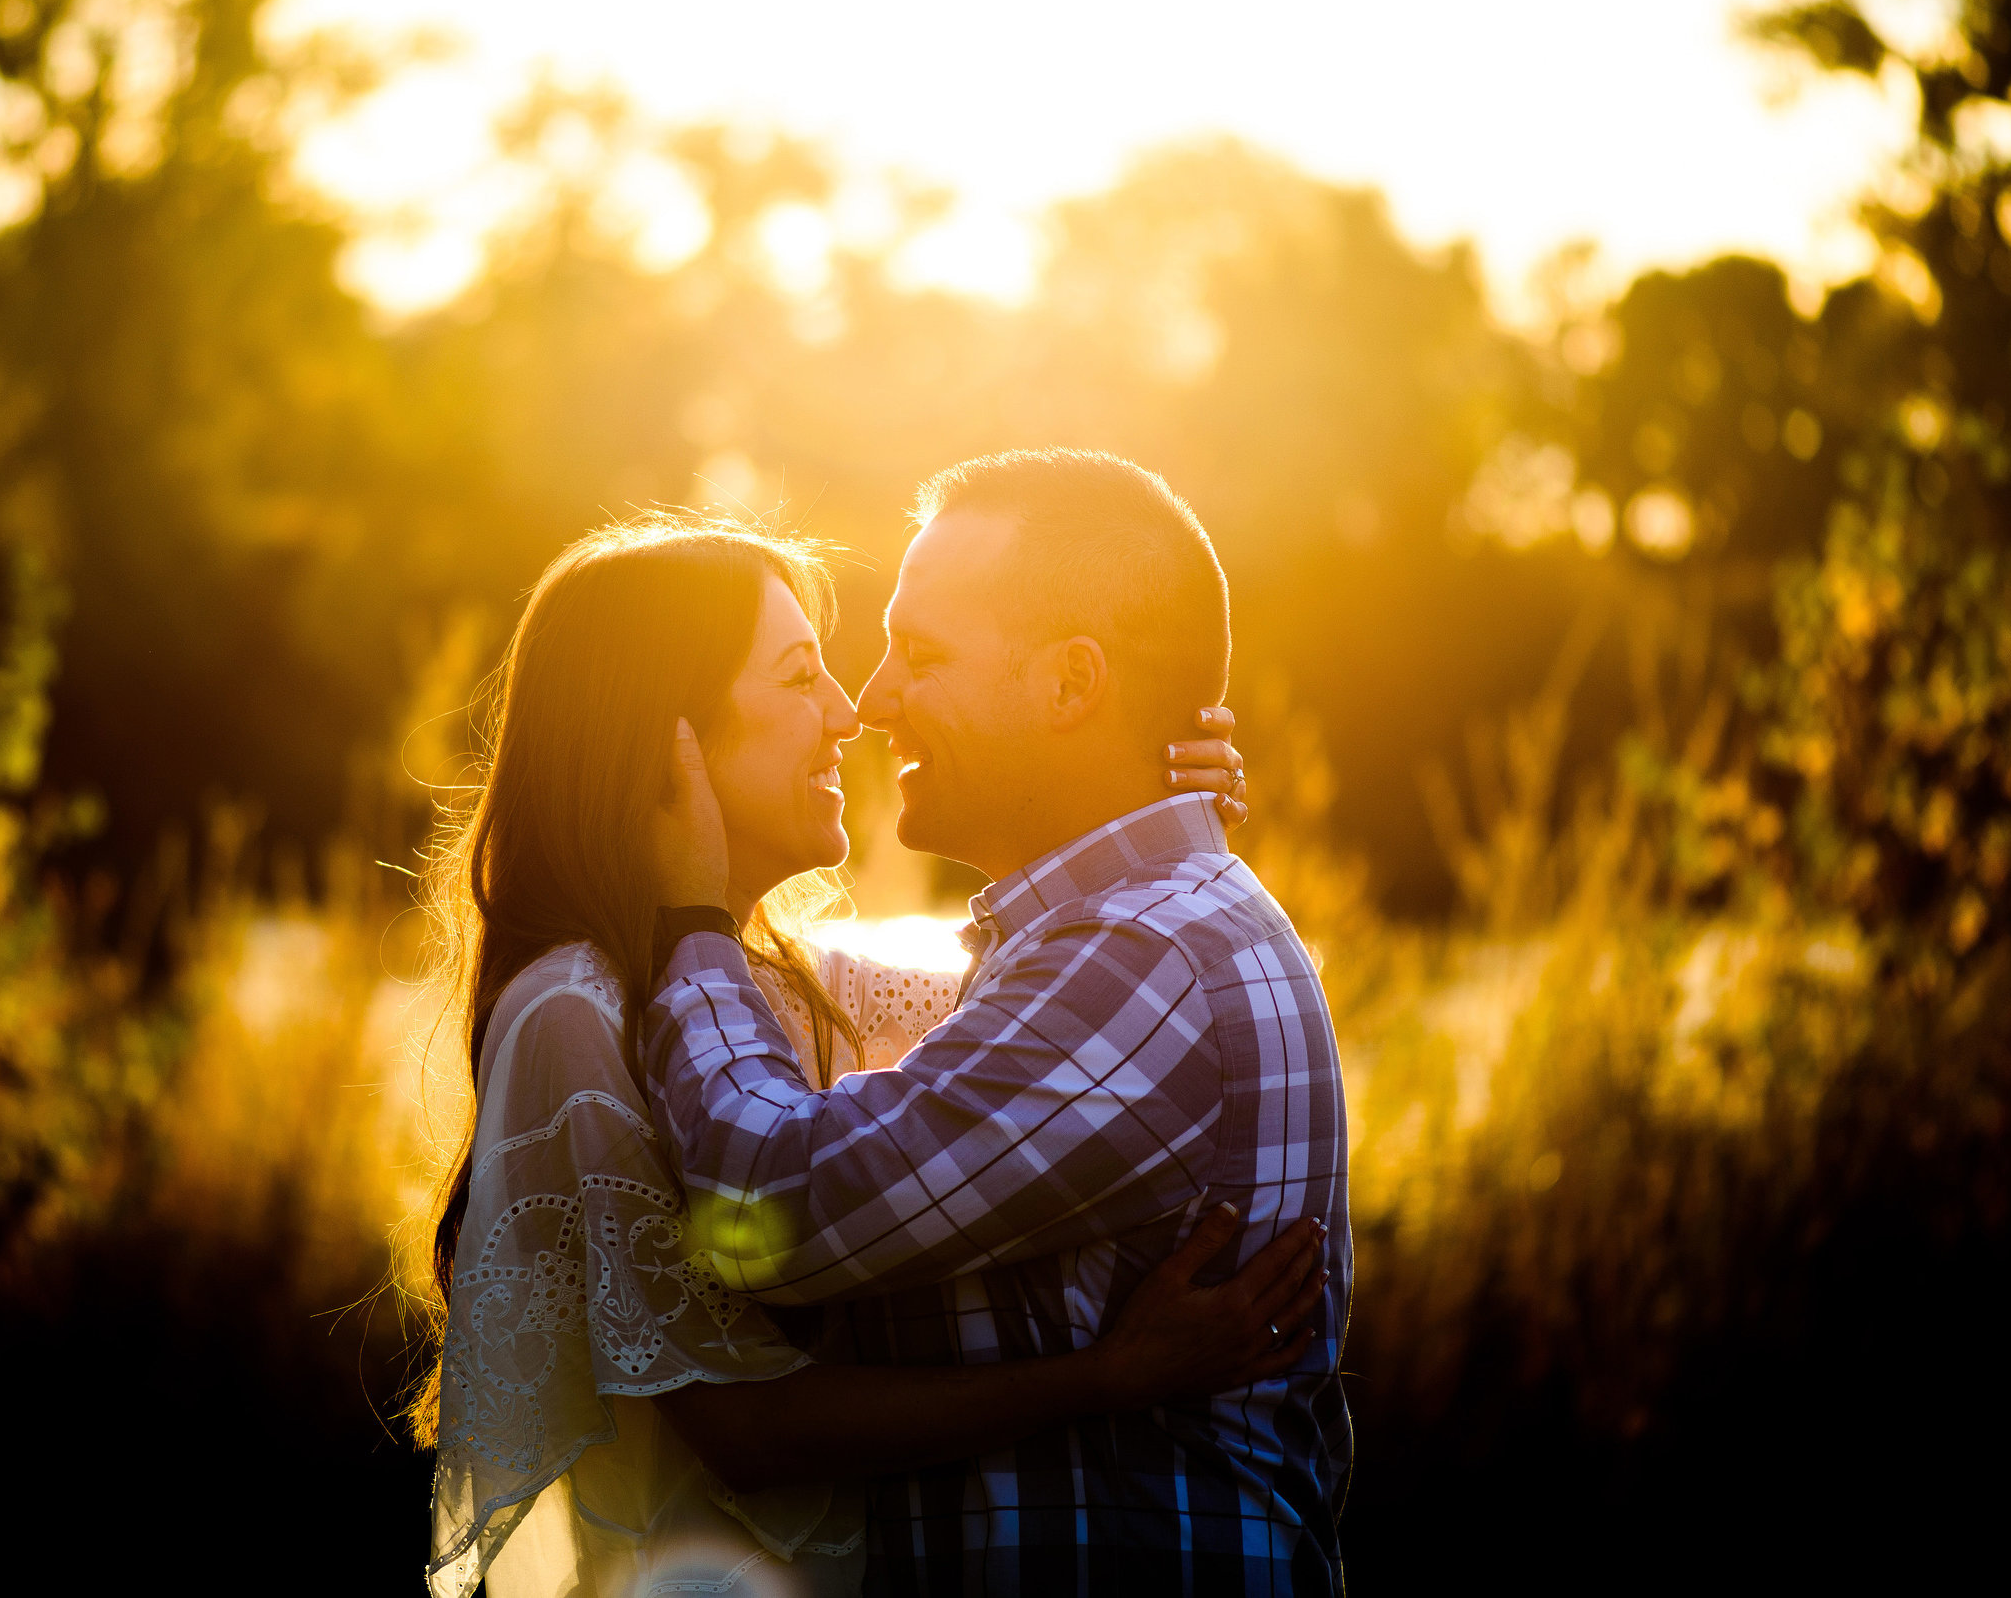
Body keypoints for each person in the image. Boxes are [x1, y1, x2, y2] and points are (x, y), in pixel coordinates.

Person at [419, 511, 1316, 1598]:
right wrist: (1101, 1378)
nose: (855, 710)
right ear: (666, 737)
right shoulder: (577, 1009)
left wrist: (1144, 794)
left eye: (911, 659)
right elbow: (742, 1430)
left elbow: (1052, 1004)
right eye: (803, 678)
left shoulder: (776, 982)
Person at [644, 450, 1352, 1595]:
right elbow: (859, 1029)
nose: (869, 702)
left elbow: (764, 1201)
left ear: (1073, 684)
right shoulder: (1100, 938)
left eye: (919, 655)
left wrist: (688, 918)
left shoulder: (1139, 959)